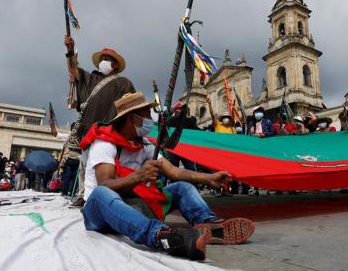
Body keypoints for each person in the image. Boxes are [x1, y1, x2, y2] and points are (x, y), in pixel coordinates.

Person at [79, 92, 255, 261]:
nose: (150, 119)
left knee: (182, 187)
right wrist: (139, 176)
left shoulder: (146, 146)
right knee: (101, 193)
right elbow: (105, 184)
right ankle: (161, 236)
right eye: (146, 114)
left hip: (134, 204)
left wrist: (208, 178)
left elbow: (175, 172)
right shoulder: (104, 143)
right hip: (100, 212)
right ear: (132, 118)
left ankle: (209, 223)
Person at [64, 36, 137, 207]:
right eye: (103, 59)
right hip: (88, 130)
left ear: (116, 65)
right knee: (86, 167)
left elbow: (132, 108)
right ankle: (86, 196)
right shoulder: (90, 79)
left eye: (108, 60)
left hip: (110, 132)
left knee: (106, 168)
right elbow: (73, 69)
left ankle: (107, 200)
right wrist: (70, 50)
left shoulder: (124, 83)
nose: (104, 62)